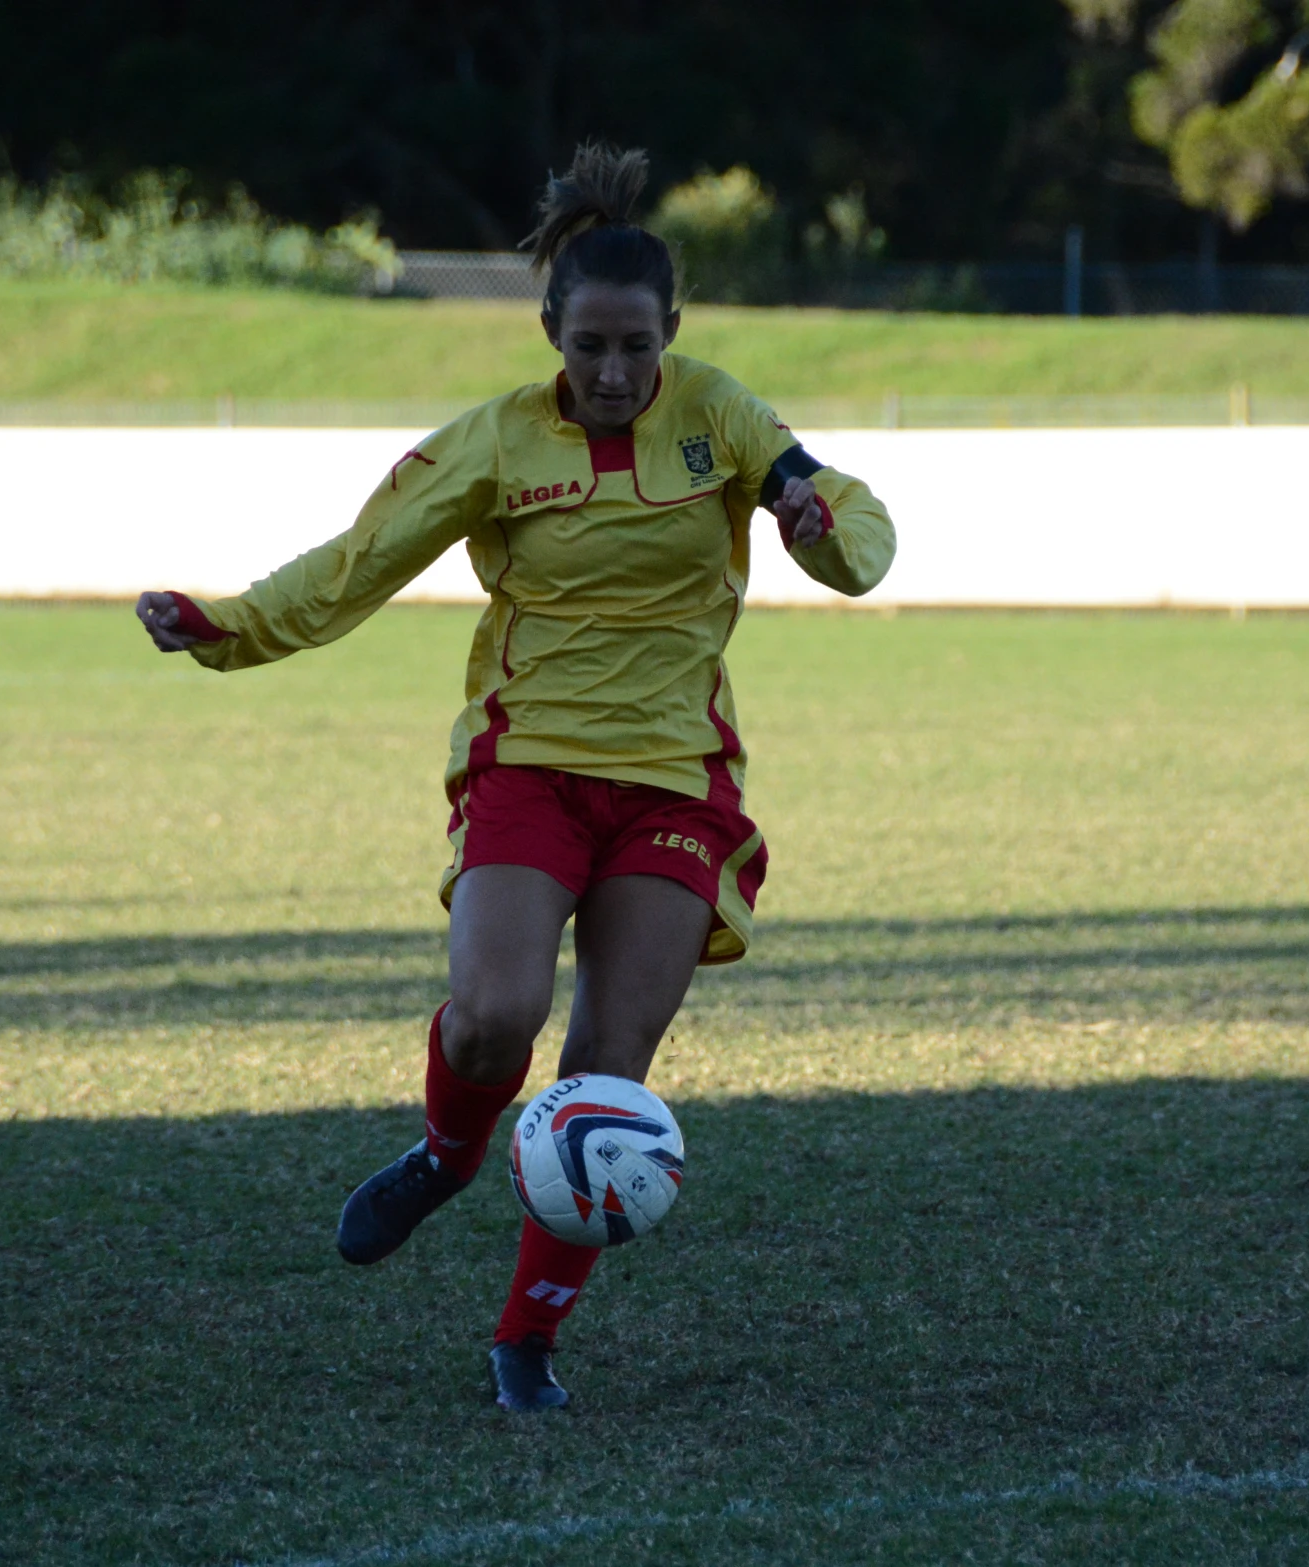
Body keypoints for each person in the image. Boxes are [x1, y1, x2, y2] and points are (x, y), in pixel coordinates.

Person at [134, 144, 895, 1404]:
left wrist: (824, 530)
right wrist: (227, 630)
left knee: (605, 1073)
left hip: (674, 782)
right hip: (529, 765)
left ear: (670, 338)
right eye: (589, 345)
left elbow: (847, 522)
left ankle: (526, 1338)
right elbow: (354, 562)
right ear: (551, 331)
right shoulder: (493, 442)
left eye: (636, 347)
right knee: (493, 1014)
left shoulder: (722, 417)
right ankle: (445, 1154)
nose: (613, 372)